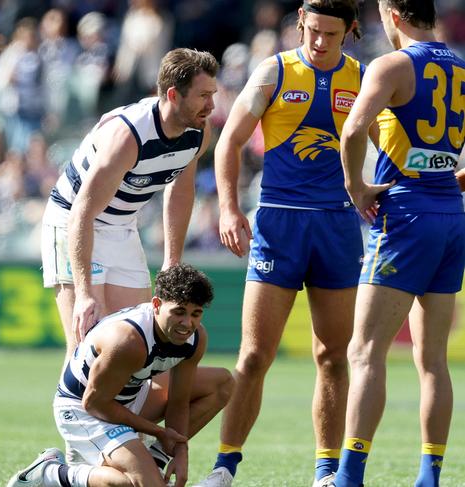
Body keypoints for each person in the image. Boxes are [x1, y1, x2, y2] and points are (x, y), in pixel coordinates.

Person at [193, 2, 374, 486]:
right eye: (313, 31)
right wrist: (230, 209)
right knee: (253, 356)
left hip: (337, 227)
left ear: (350, 31)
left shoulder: (362, 78)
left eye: (331, 35)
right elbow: (229, 141)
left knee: (333, 357)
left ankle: (325, 473)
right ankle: (224, 467)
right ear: (300, 22)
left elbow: (388, 142)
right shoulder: (273, 71)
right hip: (279, 225)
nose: (319, 42)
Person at [332, 1, 465, 486]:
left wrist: (355, 188)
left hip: (405, 215)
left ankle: (349, 476)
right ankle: (430, 475)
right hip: (451, 215)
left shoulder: (392, 65)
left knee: (365, 351)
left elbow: (352, 130)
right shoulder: (461, 65)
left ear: (391, 13)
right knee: (432, 361)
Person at [41, 47, 217, 358]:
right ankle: (74, 408)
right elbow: (82, 211)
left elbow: (180, 190)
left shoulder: (198, 132)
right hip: (74, 222)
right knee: (88, 347)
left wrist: (171, 260)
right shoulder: (128, 136)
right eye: (204, 96)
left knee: (139, 344)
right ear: (174, 95)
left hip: (123, 224)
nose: (211, 105)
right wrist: (83, 294)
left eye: (212, 94)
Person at [6, 263, 234, 487]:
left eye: (196, 314)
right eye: (179, 312)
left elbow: (178, 400)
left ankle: (152, 462)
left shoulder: (195, 338)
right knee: (136, 484)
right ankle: (51, 473)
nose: (187, 323)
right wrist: (158, 431)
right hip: (82, 410)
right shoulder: (128, 341)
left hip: (129, 397)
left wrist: (180, 451)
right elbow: (94, 404)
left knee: (222, 383)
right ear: (156, 305)